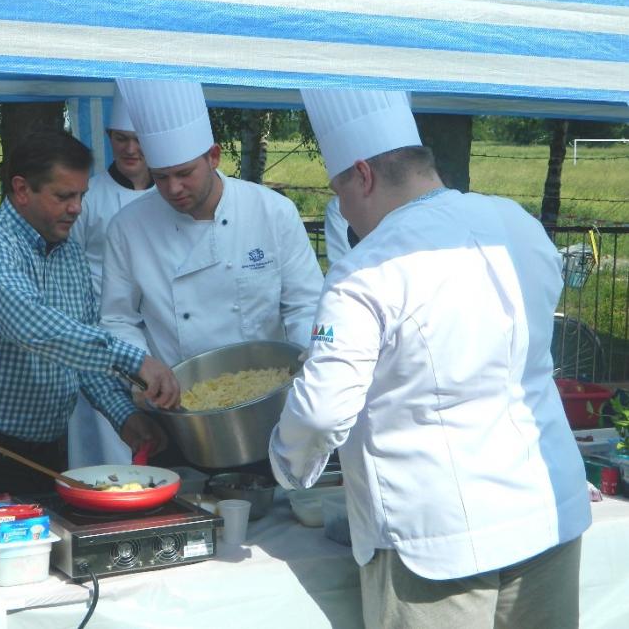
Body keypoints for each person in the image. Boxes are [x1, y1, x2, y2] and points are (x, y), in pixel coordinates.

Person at [269, 89, 590, 629]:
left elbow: (322, 411)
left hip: (437, 537)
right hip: (545, 505)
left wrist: (287, 465)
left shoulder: (363, 269)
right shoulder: (517, 223)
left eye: (338, 192)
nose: (342, 210)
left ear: (363, 176)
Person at [0, 131, 179, 496]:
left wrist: (125, 416)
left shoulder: (68, 251)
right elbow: (34, 326)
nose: (77, 208)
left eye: (81, 196)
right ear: (22, 189)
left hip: (40, 450)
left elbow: (82, 351)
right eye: (64, 196)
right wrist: (137, 361)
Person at [100, 79, 324, 468]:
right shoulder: (128, 226)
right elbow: (118, 318)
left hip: (268, 407)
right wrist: (143, 369)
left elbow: (305, 303)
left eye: (184, 173)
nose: (173, 188)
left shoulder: (271, 212)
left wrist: (309, 362)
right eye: (161, 176)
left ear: (214, 156)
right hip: (180, 413)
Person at [67, 86, 154, 468]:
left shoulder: (168, 199)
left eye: (139, 139)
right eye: (121, 139)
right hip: (99, 341)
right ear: (109, 138)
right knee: (105, 452)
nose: (130, 149)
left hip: (158, 338)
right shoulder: (88, 197)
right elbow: (69, 268)